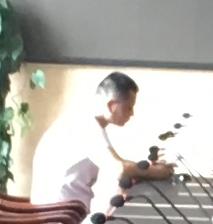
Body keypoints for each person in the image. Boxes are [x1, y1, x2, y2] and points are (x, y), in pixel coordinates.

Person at [33, 71, 168, 211]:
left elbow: (114, 166)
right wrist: (159, 171)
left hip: (59, 209)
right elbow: (120, 168)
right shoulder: (86, 125)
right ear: (111, 105)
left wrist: (144, 168)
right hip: (58, 214)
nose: (132, 113)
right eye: (129, 107)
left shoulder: (80, 117)